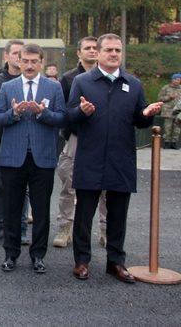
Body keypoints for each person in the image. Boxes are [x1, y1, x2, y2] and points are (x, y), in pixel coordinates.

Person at [69, 34, 162, 283]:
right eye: (108, 50)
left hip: (121, 158)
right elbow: (69, 117)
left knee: (118, 214)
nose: (113, 54)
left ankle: (116, 262)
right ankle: (81, 261)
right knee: (84, 214)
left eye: (117, 50)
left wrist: (147, 114)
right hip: (91, 156)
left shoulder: (133, 83)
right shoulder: (82, 81)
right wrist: (81, 111)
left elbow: (139, 119)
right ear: (98, 53)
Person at [0, 43, 66, 274]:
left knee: (41, 210)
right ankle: (10, 254)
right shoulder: (7, 87)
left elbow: (62, 119)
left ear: (41, 62)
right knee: (12, 208)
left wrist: (42, 113)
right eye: (25, 60)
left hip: (42, 158)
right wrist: (13, 113)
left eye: (34, 61)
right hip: (13, 157)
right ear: (19, 61)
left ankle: (38, 255)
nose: (30, 65)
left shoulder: (53, 88)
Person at [53, 36, 107, 248]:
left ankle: (106, 230)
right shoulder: (68, 79)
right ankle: (65, 228)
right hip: (77, 138)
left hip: (103, 140)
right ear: (79, 52)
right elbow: (63, 111)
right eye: (87, 48)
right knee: (69, 184)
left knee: (107, 188)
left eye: (95, 48)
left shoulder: (110, 77)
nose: (92, 51)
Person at [0, 40, 31, 245]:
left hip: (24, 141)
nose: (18, 57)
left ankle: (21, 228)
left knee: (24, 188)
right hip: (1, 140)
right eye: (15, 53)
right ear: (6, 56)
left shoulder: (30, 81)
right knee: (1, 185)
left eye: (22, 54)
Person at [157, 73, 181, 149]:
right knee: (167, 127)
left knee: (177, 128)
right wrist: (168, 98)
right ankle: (166, 143)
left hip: (178, 111)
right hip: (168, 111)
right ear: (172, 79)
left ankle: (174, 143)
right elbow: (160, 98)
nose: (178, 81)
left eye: (179, 80)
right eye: (176, 79)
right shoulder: (166, 88)